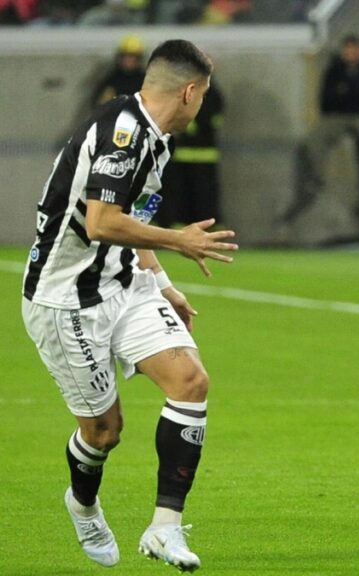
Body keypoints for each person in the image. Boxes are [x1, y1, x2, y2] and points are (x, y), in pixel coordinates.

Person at [20, 39, 238, 571]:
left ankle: (164, 529)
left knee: (191, 382)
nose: (202, 105)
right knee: (104, 432)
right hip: (66, 300)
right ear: (189, 92)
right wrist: (179, 241)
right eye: (203, 96)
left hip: (125, 282)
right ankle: (83, 502)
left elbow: (130, 217)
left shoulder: (155, 137)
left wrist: (161, 281)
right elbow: (101, 222)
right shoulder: (123, 134)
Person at [286, 34, 359, 228]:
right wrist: (349, 92)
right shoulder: (334, 70)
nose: (351, 54)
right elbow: (327, 100)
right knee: (314, 140)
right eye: (348, 50)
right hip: (337, 116)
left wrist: (346, 90)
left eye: (354, 50)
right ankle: (316, 178)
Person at [154, 80, 225, 228]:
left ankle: (207, 228)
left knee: (204, 196)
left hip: (204, 156)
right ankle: (181, 229)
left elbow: (212, 121)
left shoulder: (213, 95)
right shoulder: (185, 93)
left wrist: (191, 124)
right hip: (183, 156)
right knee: (181, 195)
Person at [91, 35, 147, 108]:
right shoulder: (112, 80)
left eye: (132, 57)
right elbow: (98, 104)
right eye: (126, 57)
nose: (128, 61)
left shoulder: (145, 81)